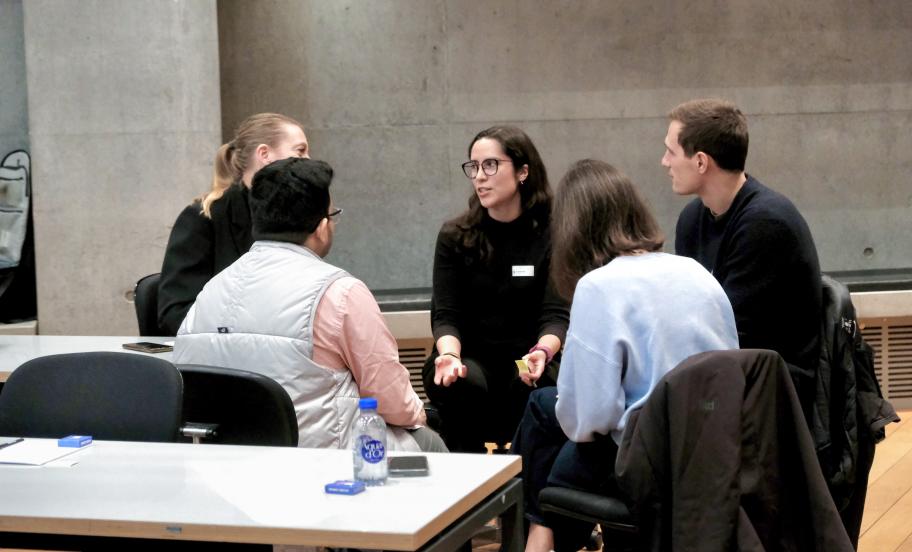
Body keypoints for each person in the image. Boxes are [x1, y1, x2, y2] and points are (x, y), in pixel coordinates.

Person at [512, 159, 739, 552]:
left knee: (547, 421)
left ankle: (538, 534)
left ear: (571, 230)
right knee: (543, 410)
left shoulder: (598, 287)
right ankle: (541, 530)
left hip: (646, 460)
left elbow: (589, 420)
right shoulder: (696, 272)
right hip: (716, 449)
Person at [173, 158, 445, 453]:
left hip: (224, 464)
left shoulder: (209, 291)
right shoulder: (340, 292)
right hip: (322, 462)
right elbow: (392, 401)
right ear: (321, 227)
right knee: (430, 442)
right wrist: (421, 415)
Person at [663, 98, 822, 414]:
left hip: (771, 390)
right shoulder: (692, 220)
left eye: (671, 152)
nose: (664, 162)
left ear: (701, 162)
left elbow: (730, 333)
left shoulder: (767, 224)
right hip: (724, 375)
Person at [422, 126, 570, 453]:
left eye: (490, 165)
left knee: (530, 380)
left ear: (522, 171)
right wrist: (449, 355)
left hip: (526, 355)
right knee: (460, 379)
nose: (479, 177)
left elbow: (556, 314)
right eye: (474, 167)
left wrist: (542, 352)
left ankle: (528, 477)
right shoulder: (455, 235)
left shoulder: (552, 233)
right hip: (469, 355)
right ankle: (470, 477)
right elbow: (446, 315)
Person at [157, 112, 311, 335]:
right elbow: (176, 314)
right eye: (300, 151)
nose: (308, 160)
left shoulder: (292, 216)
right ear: (264, 154)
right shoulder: (204, 217)